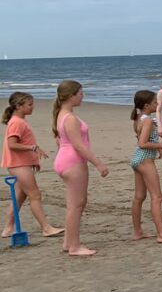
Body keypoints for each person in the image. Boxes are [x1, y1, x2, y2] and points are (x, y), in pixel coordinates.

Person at [52, 80, 109, 256]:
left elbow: (60, 139)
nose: (82, 96)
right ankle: (75, 246)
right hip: (72, 162)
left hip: (65, 159)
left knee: (77, 203)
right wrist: (98, 163)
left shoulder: (62, 114)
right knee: (76, 205)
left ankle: (68, 242)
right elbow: (78, 146)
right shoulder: (69, 118)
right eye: (80, 93)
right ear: (71, 96)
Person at [2, 92, 64, 240]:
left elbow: (21, 143)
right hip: (19, 165)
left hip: (20, 164)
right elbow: (12, 145)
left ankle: (7, 228)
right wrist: (33, 148)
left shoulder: (19, 121)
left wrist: (34, 161)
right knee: (35, 195)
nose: (32, 107)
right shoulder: (17, 122)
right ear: (18, 106)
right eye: (29, 105)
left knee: (19, 196)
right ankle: (46, 228)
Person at [129, 90, 162, 243]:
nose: (157, 104)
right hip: (144, 160)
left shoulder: (138, 118)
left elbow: (141, 139)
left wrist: (157, 148)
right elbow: (143, 143)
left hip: (138, 159)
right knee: (157, 197)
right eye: (154, 103)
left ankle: (138, 232)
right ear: (146, 105)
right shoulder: (147, 121)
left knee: (139, 197)